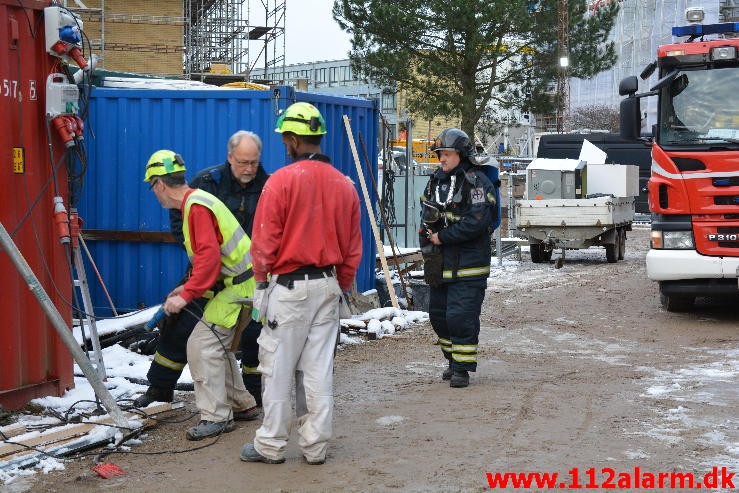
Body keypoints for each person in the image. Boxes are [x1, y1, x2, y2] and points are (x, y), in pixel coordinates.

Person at [239, 102, 362, 465]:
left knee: (277, 368)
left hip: (289, 290)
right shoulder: (344, 185)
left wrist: (261, 284)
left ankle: (271, 445)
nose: (283, 145)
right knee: (319, 369)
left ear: (293, 139)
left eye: (284, 139)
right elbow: (353, 248)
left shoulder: (280, 181)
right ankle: (315, 446)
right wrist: (341, 285)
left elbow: (264, 240)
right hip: (327, 286)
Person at [134, 131, 269, 408]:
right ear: (230, 158)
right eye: (243, 162)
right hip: (219, 275)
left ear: (158, 184)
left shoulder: (266, 187)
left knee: (218, 343)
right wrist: (190, 284)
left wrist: (187, 292)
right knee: (183, 328)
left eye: (253, 163)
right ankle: (162, 388)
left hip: (244, 280)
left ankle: (229, 409)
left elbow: (210, 256)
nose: (248, 168)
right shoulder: (208, 184)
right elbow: (198, 245)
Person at [419, 128, 496, 388]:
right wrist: (428, 231)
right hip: (440, 264)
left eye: (446, 154)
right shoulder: (435, 181)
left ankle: (462, 368)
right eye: (439, 154)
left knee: (460, 317)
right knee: (438, 316)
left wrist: (443, 237)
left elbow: (477, 222)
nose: (441, 159)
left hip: (469, 266)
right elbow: (426, 210)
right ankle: (452, 361)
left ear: (461, 154)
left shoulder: (477, 183)